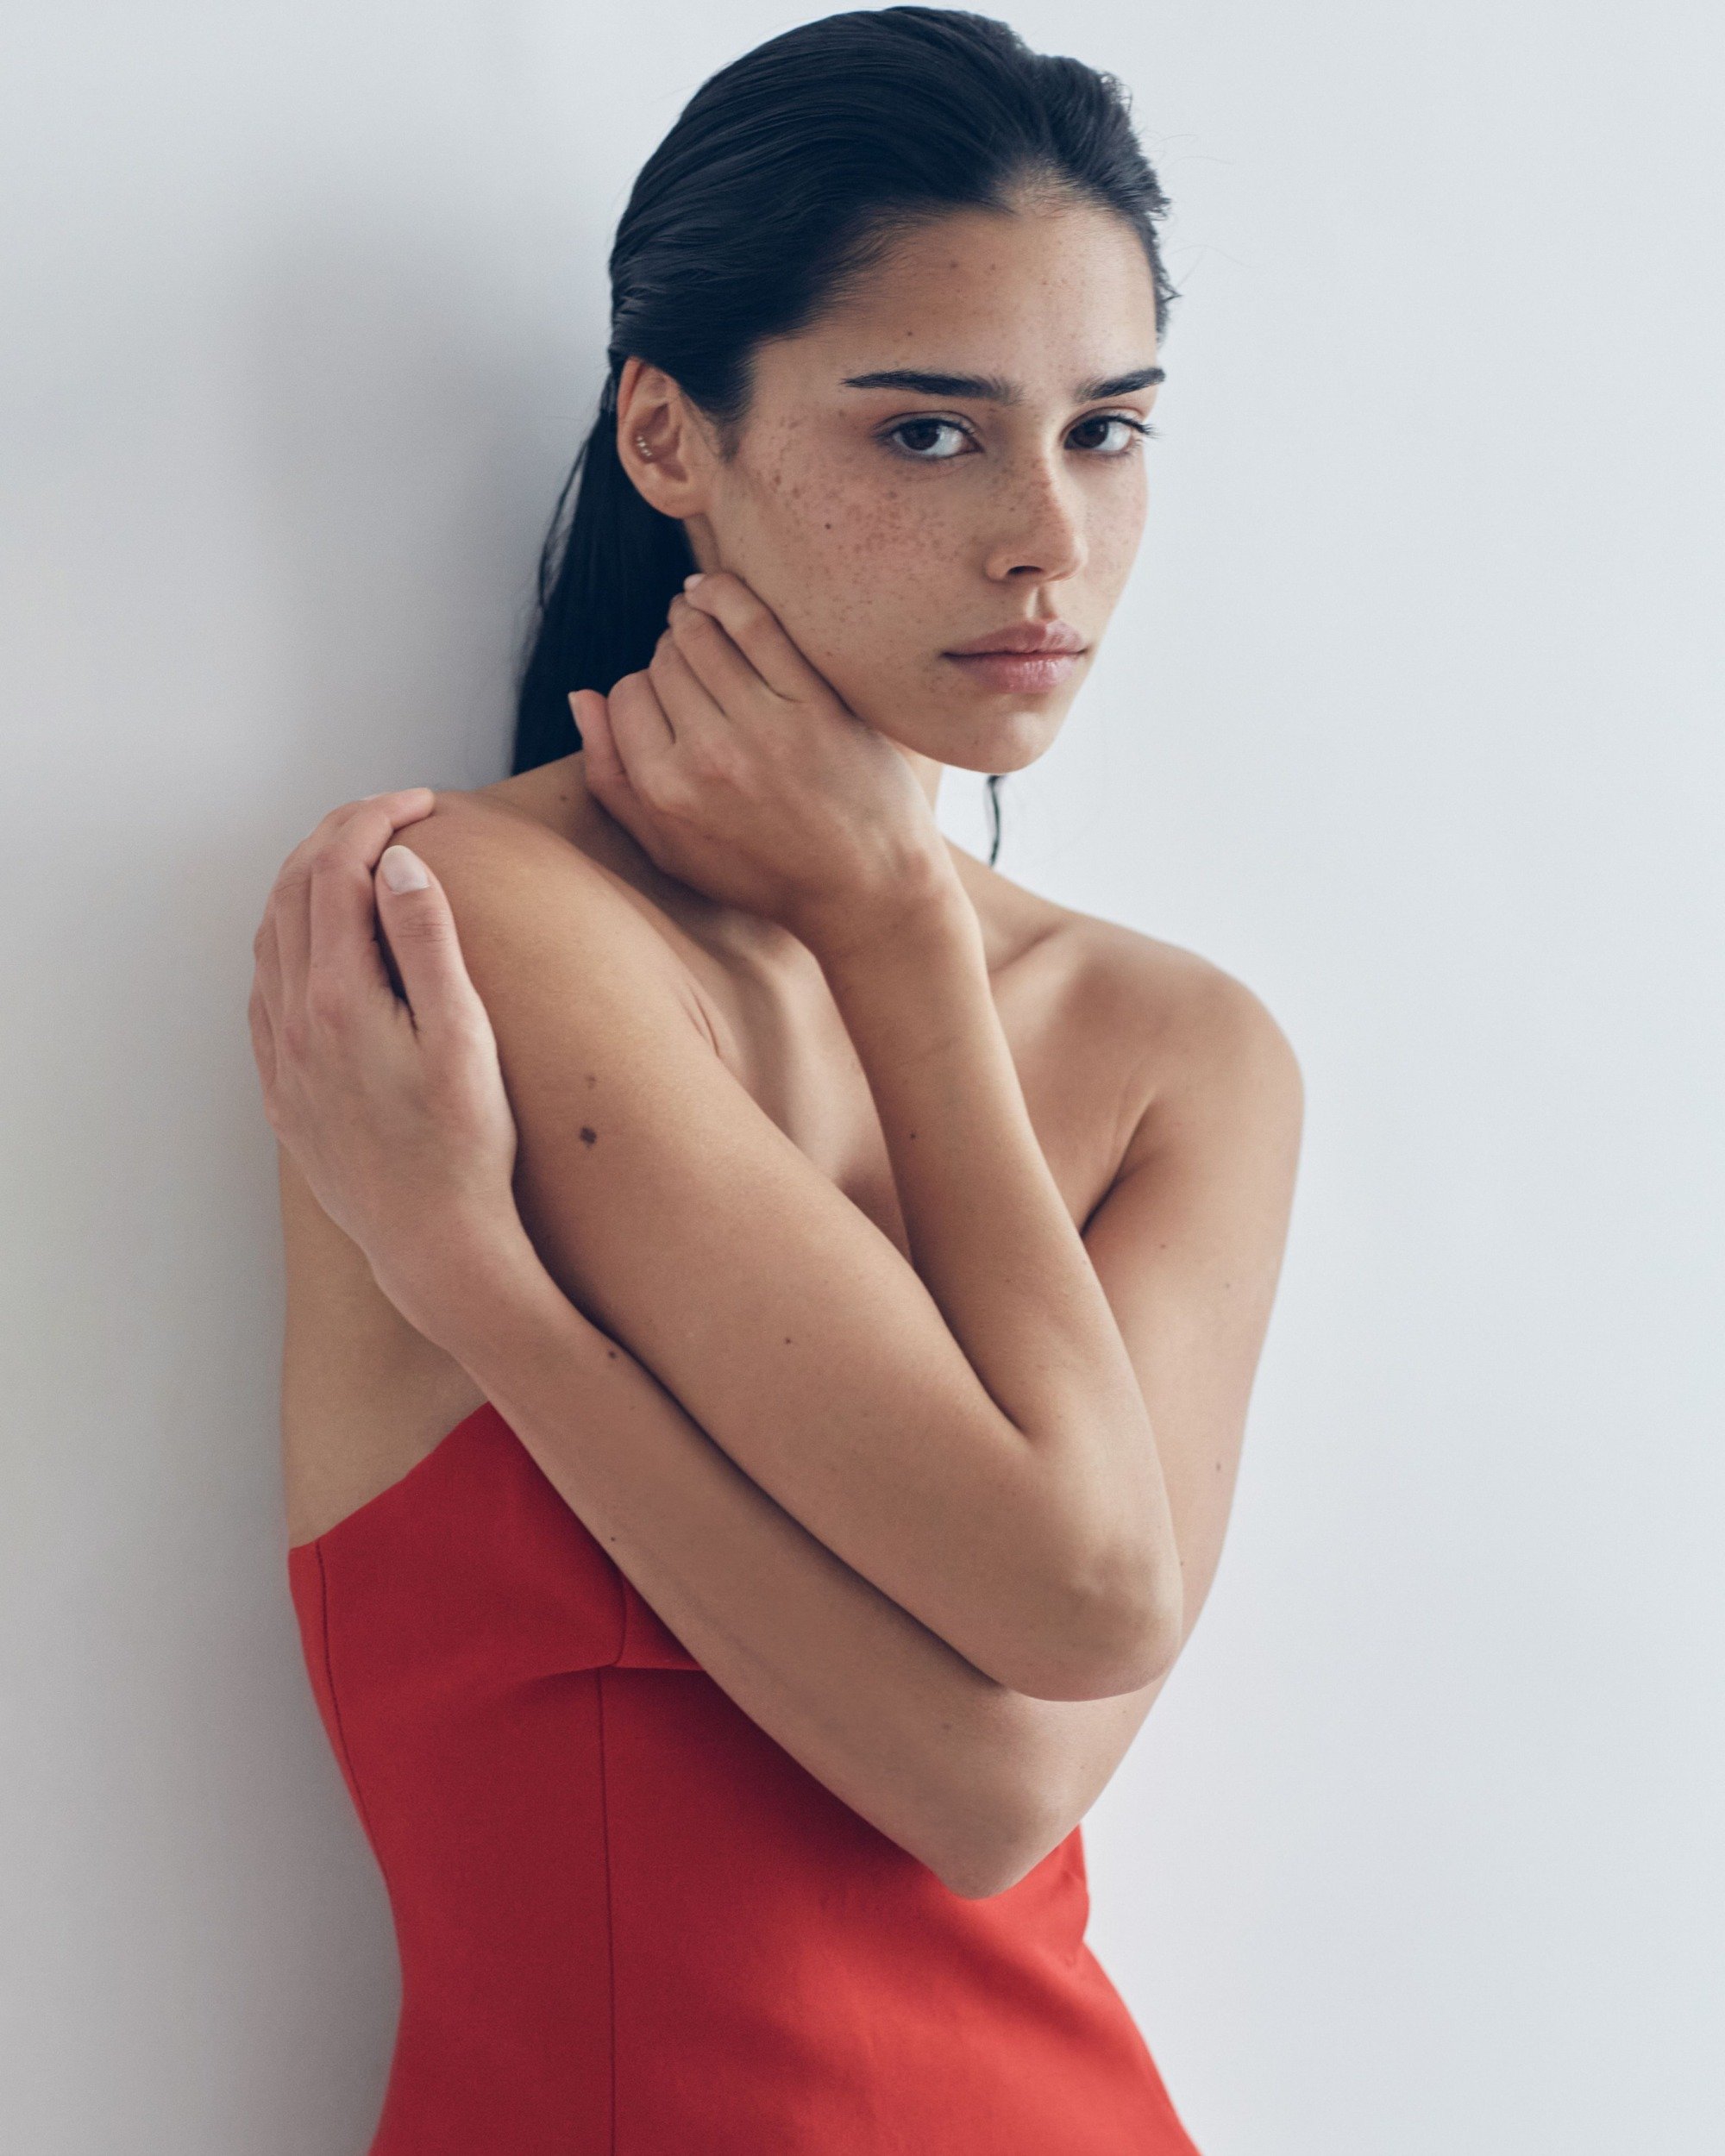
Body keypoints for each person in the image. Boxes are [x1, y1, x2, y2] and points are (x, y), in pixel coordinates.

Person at [248, 9, 1303, 2150]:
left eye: (1106, 430)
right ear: (668, 433)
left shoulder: (1178, 1049)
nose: (1046, 536)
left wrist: (495, 1300)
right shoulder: (481, 915)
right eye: (928, 431)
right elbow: (1061, 1604)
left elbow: (1001, 1783)